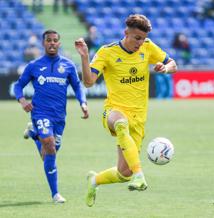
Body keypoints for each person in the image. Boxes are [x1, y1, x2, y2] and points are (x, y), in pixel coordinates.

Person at [75, 14, 177, 207]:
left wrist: (164, 68)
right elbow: (88, 82)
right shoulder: (107, 52)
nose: (140, 42)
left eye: (143, 38)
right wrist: (85, 57)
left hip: (139, 118)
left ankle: (95, 180)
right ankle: (140, 175)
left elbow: (173, 64)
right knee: (121, 124)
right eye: (137, 38)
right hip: (114, 111)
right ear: (126, 33)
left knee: (123, 173)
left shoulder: (148, 47)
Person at [14, 30, 89, 203]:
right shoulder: (34, 65)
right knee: (48, 143)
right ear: (43, 43)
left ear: (59, 43)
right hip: (40, 112)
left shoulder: (68, 65)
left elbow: (78, 87)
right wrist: (23, 101)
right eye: (49, 40)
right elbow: (18, 86)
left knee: (48, 153)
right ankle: (55, 194)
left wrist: (83, 103)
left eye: (55, 40)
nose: (52, 43)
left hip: (59, 117)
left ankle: (34, 134)